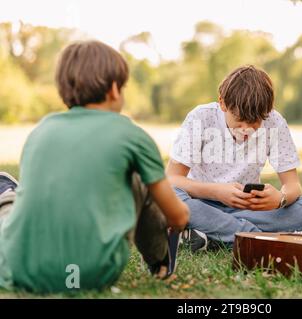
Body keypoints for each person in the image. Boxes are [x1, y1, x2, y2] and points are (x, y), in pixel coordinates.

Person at [0, 41, 189, 293]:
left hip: (18, 268)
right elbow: (178, 217)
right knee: (140, 179)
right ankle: (160, 265)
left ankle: (8, 193)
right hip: (89, 273)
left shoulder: (41, 130)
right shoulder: (131, 134)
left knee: (11, 200)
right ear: (113, 89)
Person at [167, 65, 302, 252]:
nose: (246, 129)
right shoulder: (200, 118)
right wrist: (217, 192)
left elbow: (293, 185)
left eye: (254, 123)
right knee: (170, 195)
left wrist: (281, 199)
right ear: (223, 103)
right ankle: (252, 234)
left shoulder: (274, 122)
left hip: (249, 209)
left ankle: (211, 233)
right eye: (239, 120)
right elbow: (171, 179)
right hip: (202, 202)